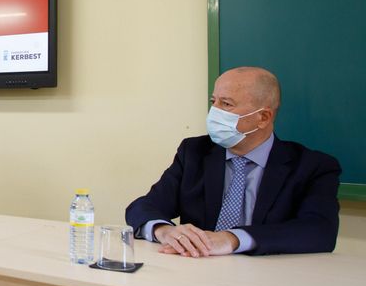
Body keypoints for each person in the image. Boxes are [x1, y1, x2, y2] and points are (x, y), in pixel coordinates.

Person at [125, 67, 341, 256]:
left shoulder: (313, 167)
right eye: (213, 102)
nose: (214, 112)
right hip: (197, 273)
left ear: (263, 117)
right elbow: (142, 207)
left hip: (270, 282)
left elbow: (320, 231)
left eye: (226, 104)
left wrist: (232, 239)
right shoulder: (194, 152)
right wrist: (164, 231)